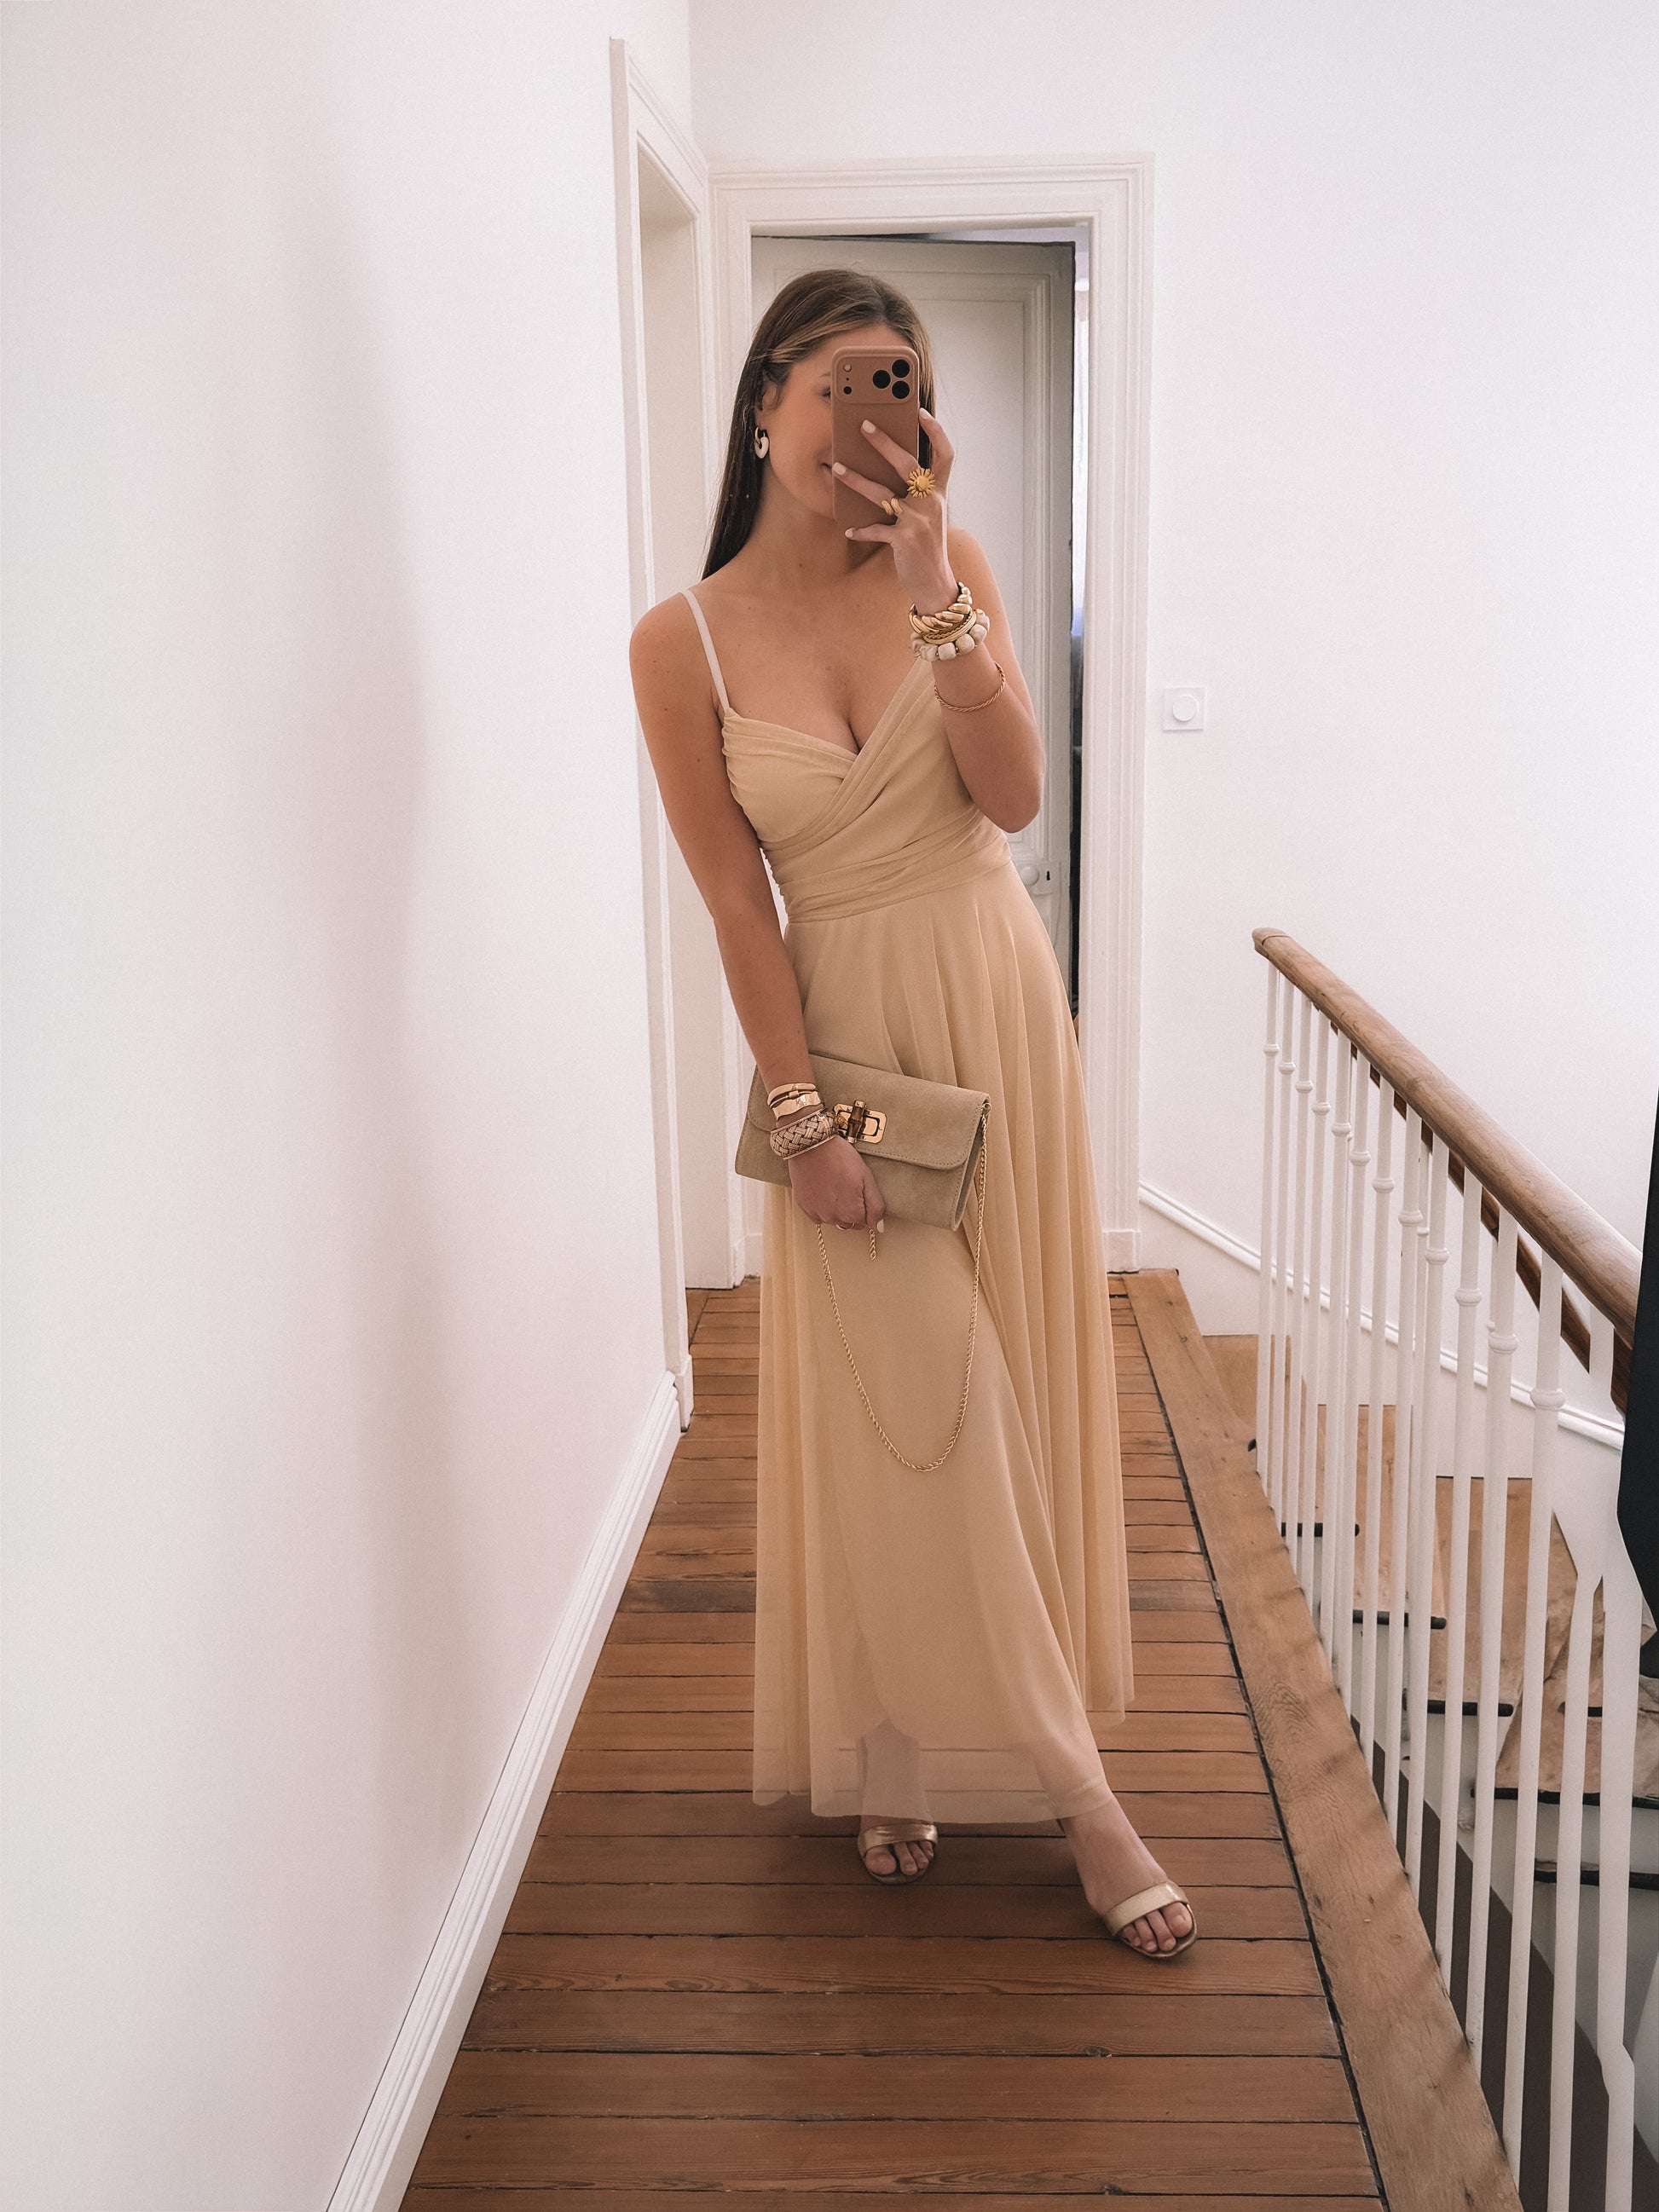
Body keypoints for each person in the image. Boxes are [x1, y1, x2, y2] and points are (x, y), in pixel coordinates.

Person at [628, 269, 1195, 1957]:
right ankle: (1080, 1794)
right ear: (764, 404)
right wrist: (800, 1119)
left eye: (902, 386)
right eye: (839, 386)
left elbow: (1013, 797)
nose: (868, 422)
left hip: (996, 1008)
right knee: (916, 1395)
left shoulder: (954, 571)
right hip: (847, 1047)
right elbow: (735, 904)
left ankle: (896, 1742)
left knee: (993, 1391)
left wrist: (940, 593)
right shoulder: (679, 640)